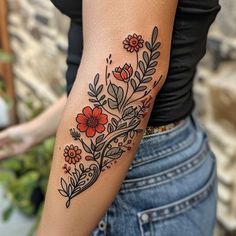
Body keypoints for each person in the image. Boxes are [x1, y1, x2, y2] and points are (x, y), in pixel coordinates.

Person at [1, 0, 221, 235]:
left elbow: (126, 68)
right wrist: (37, 129)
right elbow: (113, 86)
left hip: (136, 184)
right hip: (168, 162)